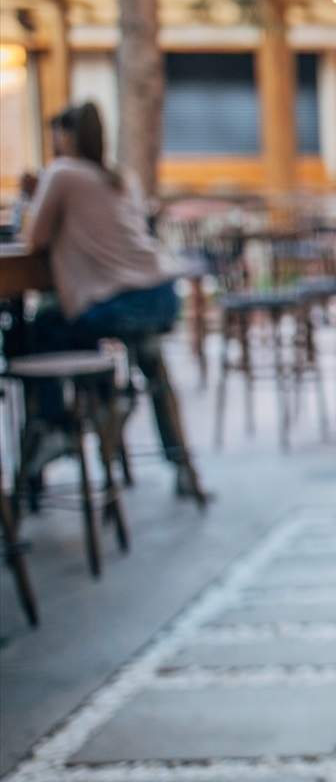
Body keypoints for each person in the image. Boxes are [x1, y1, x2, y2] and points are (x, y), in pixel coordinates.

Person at [21, 102, 205, 503]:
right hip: (159, 295)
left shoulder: (63, 174)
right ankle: (114, 404)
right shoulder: (120, 176)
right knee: (143, 361)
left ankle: (59, 427)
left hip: (117, 304)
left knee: (35, 331)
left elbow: (34, 238)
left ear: (65, 137)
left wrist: (32, 199)